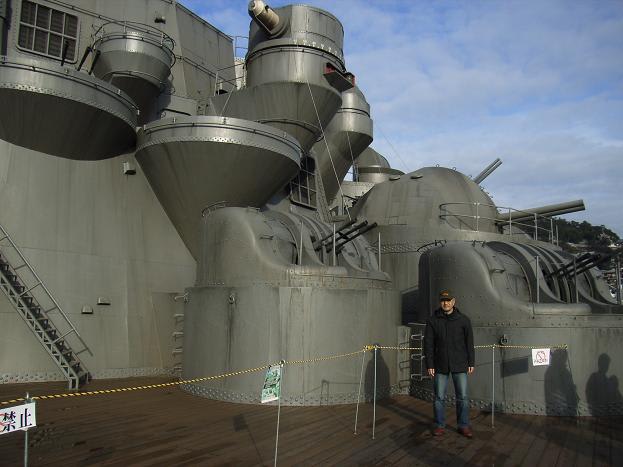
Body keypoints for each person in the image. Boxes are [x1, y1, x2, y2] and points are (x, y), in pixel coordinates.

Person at [424, 289, 475, 438]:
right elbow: (428, 344)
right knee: (439, 397)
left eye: (448, 300)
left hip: (460, 363)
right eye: (443, 301)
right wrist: (430, 364)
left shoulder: (463, 320)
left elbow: (469, 343)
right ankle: (439, 425)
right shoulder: (433, 321)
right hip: (440, 364)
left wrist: (471, 362)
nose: (445, 303)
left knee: (463, 397)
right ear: (440, 302)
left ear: (453, 302)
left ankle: (463, 425)